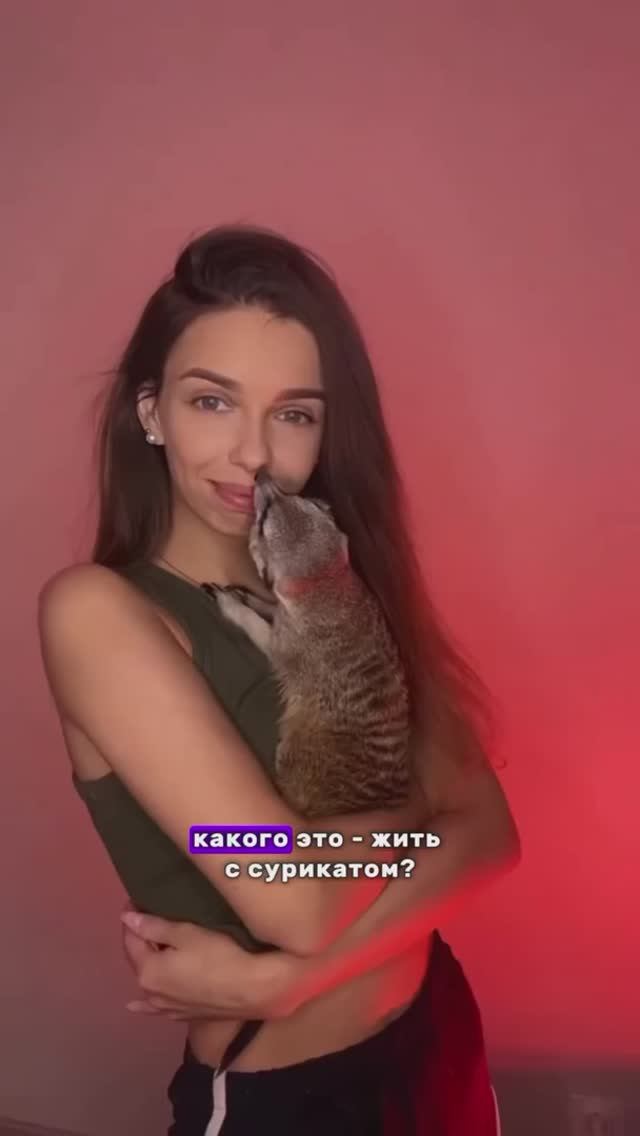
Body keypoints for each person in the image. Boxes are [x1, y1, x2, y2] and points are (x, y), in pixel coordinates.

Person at [38, 223, 520, 1135]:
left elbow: (493, 837)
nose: (253, 453)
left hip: (434, 1036)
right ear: (152, 412)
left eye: (294, 414)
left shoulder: (332, 578)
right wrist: (415, 828)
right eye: (212, 401)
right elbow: (293, 894)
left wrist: (290, 981)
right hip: (289, 1099)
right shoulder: (99, 614)